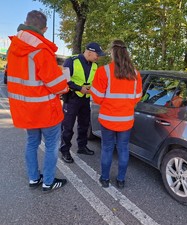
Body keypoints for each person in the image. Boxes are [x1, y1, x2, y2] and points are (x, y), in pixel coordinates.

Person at [6, 10, 69, 192]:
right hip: (45, 109)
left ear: (25, 22)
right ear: (44, 28)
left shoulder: (13, 48)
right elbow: (57, 86)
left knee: (32, 142)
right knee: (51, 146)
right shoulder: (41, 50)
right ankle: (48, 182)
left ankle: (34, 178)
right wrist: (64, 83)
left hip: (26, 109)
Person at [90, 40, 142, 188]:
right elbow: (137, 97)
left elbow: (97, 97)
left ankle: (105, 179)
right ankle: (120, 180)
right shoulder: (135, 74)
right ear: (126, 53)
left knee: (107, 148)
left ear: (112, 52)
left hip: (107, 119)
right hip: (126, 120)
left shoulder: (103, 71)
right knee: (123, 149)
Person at [60, 42, 106, 163]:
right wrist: (79, 88)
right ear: (89, 52)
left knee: (84, 124)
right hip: (72, 98)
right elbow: (64, 79)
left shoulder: (95, 65)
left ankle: (82, 146)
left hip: (85, 99)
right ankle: (65, 150)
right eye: (97, 54)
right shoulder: (71, 61)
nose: (98, 57)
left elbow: (95, 82)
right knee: (68, 126)